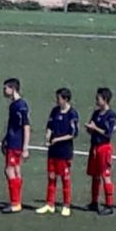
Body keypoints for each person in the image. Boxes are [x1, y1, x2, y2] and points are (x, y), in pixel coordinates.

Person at [36, 87, 80, 216]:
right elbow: (50, 126)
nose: (57, 100)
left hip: (64, 151)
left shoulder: (72, 114)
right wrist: (48, 136)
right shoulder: (55, 111)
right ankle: (50, 204)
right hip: (53, 151)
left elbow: (73, 133)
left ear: (65, 99)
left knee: (65, 179)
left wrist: (57, 139)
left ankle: (66, 205)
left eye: (59, 98)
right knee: (51, 177)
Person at [0, 78, 31, 214]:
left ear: (12, 89)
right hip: (12, 141)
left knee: (9, 171)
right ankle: (17, 201)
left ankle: (15, 203)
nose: (4, 91)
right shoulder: (15, 105)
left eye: (5, 88)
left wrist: (25, 147)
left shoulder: (20, 106)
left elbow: (26, 126)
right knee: (16, 170)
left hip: (16, 144)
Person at [85, 87, 116, 216]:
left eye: (98, 98)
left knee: (105, 175)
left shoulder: (111, 115)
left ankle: (109, 204)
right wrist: (90, 129)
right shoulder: (96, 113)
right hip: (94, 147)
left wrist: (95, 128)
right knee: (95, 175)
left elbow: (108, 133)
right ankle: (94, 202)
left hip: (104, 148)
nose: (96, 100)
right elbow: (92, 129)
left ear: (105, 100)